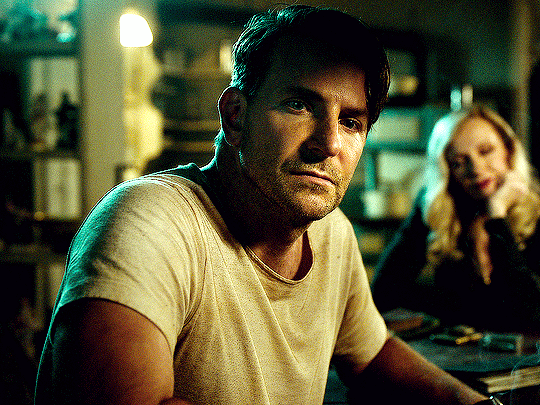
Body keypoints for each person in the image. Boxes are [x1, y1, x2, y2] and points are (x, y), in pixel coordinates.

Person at [35, 5, 492, 405]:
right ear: (235, 115)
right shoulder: (148, 223)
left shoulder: (331, 233)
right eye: (299, 105)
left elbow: (371, 354)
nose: (329, 143)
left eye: (351, 122)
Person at [372, 105, 540, 333]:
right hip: (459, 350)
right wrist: (452, 309)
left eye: (486, 151)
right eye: (458, 162)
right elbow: (384, 293)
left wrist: (497, 214)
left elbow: (532, 313)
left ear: (508, 150)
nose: (476, 169)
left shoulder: (537, 211)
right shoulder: (436, 208)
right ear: (447, 171)